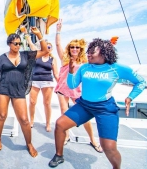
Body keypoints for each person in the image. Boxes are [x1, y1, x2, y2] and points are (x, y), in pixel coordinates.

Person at [49, 38, 146, 168]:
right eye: (88, 52)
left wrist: (130, 97)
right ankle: (59, 155)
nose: (88, 54)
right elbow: (72, 86)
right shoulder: (84, 67)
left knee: (109, 147)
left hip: (105, 108)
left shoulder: (116, 68)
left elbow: (141, 82)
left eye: (91, 52)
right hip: (85, 105)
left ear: (103, 53)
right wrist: (71, 72)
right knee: (60, 124)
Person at [0, 27, 48, 157]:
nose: (18, 45)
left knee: (24, 119)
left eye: (19, 43)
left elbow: (45, 50)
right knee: (2, 115)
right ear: (9, 44)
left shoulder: (26, 55)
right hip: (3, 88)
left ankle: (29, 144)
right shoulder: (2, 58)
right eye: (15, 43)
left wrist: (39, 35)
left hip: (19, 89)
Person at [54, 19, 101, 151]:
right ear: (69, 49)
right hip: (63, 89)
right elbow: (57, 44)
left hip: (77, 91)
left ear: (80, 49)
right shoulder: (65, 58)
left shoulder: (86, 61)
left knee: (85, 116)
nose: (74, 49)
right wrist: (58, 30)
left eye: (77, 47)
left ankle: (92, 139)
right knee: (64, 113)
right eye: (72, 47)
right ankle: (67, 135)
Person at [26, 36, 59, 132]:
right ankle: (31, 121)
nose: (47, 48)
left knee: (47, 103)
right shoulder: (37, 55)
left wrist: (60, 84)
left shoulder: (52, 59)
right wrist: (27, 36)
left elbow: (56, 73)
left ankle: (48, 123)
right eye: (46, 46)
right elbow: (31, 45)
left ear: (51, 49)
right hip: (35, 81)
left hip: (47, 82)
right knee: (32, 102)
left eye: (49, 47)